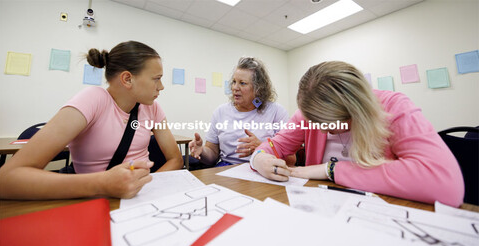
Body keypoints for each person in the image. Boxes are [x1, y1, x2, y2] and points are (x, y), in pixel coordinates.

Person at [250, 61, 464, 207]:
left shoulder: (394, 107)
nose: (317, 128)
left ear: (354, 111)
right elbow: (274, 145)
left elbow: (447, 186)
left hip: (380, 208)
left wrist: (330, 170)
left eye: (326, 123)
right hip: (320, 205)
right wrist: (259, 158)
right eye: (312, 121)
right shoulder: (308, 115)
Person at [0, 41, 183, 200]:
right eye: (156, 79)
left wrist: (144, 187)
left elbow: (175, 159)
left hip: (137, 199)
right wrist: (103, 184)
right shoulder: (93, 99)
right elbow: (6, 180)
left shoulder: (152, 107)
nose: (162, 86)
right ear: (127, 79)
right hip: (91, 198)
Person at [190, 56, 295, 167]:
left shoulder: (277, 112)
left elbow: (291, 160)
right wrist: (201, 151)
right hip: (227, 168)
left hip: (263, 169)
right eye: (234, 82)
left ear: (258, 88)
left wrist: (262, 146)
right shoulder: (220, 112)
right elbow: (212, 155)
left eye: (242, 83)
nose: (235, 87)